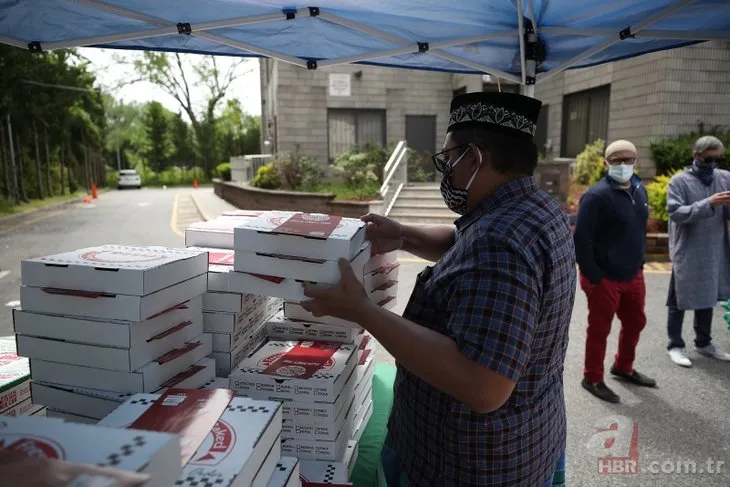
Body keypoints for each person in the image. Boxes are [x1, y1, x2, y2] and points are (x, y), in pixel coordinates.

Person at [301, 91, 575, 486]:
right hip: (527, 439)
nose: (444, 171)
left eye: (448, 159)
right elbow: (463, 244)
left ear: (475, 157)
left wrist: (362, 310)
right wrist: (404, 235)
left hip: (465, 465)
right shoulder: (534, 209)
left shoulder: (501, 241)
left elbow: (483, 385)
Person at [573, 140, 656, 404]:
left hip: (633, 273)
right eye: (617, 160)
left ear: (636, 162)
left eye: (628, 159)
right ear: (606, 163)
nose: (623, 165)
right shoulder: (596, 196)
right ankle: (592, 377)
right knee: (600, 329)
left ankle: (623, 366)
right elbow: (582, 240)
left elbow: (638, 230)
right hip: (604, 277)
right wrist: (594, 277)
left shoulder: (639, 189)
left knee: (635, 322)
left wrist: (640, 263)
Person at [666, 135, 730, 367]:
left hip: (714, 249)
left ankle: (704, 342)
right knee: (679, 298)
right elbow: (675, 212)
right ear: (696, 156)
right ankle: (675, 344)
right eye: (708, 158)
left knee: (708, 295)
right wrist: (708, 203)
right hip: (688, 250)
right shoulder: (679, 181)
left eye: (716, 158)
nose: (712, 163)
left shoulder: (725, 178)